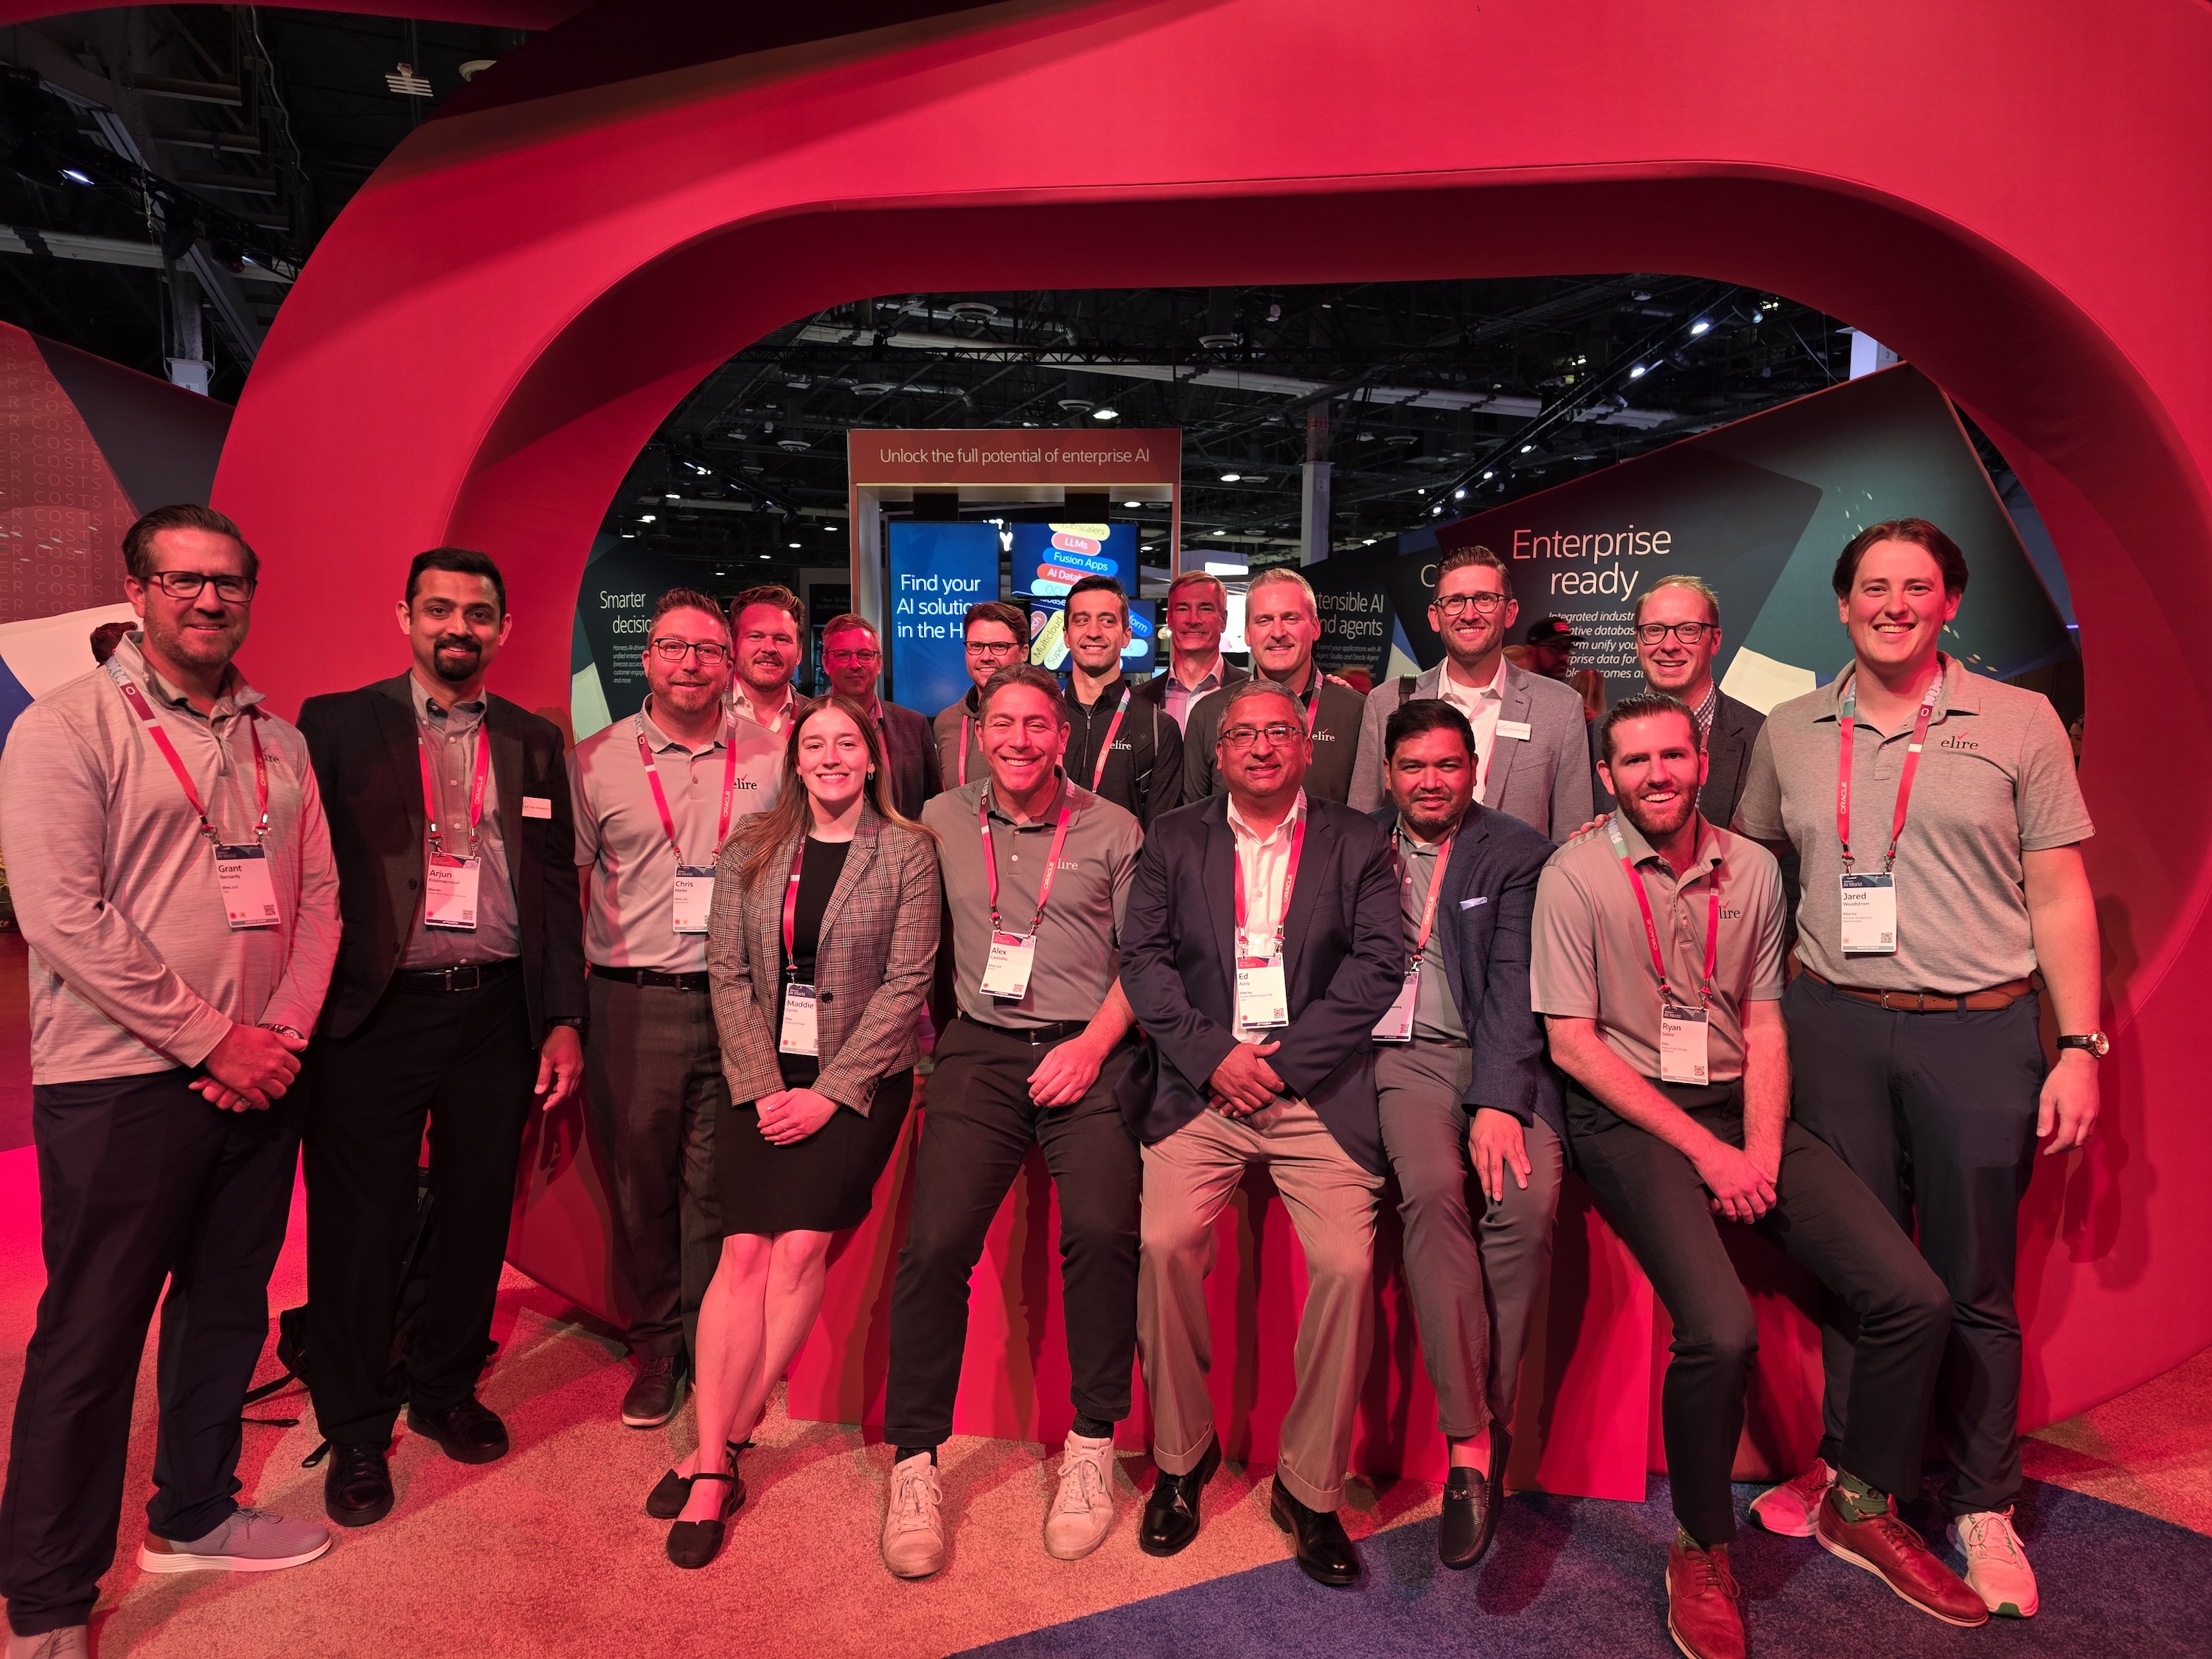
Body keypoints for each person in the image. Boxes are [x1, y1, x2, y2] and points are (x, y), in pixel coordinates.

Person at [1534, 692, 1983, 1658]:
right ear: (1608, 776)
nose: (1656, 775)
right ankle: (1700, 1547)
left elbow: (1766, 1018)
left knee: (1914, 1296)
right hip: (1629, 1114)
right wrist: (1708, 1153)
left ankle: (1861, 1499)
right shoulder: (1574, 872)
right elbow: (1571, 1045)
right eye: (1634, 762)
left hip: (1743, 1103)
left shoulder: (1755, 869)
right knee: (1720, 1332)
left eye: (1671, 756)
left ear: (1700, 760)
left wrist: (1764, 1150)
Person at [1734, 519, 2100, 1621]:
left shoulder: (2019, 720)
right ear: (1842, 605)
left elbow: (2060, 893)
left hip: (1976, 1027)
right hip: (1832, 1023)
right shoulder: (1793, 728)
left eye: (1918, 586)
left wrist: (2078, 1045)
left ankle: (1985, 1498)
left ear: (1950, 603)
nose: (1894, 603)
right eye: (1874, 586)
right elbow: (1758, 871)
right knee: (1866, 1269)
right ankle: (1860, 1478)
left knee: (1975, 1279)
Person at [0, 505, 341, 1654]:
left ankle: (193, 1510)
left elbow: (321, 900)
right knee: (89, 1338)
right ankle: (48, 1595)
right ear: (136, 590)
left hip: (263, 1074)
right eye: (184, 581)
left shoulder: (277, 740)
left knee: (224, 1308)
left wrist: (280, 1031)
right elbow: (61, 915)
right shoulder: (68, 729)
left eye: (229, 581)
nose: (209, 600)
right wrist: (213, 1039)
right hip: (124, 1085)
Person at [296, 546, 587, 1531]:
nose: (458, 627)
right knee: (359, 1223)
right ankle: (357, 1423)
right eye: (439, 610)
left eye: (476, 613)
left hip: (496, 1009)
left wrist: (561, 1018)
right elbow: (307, 875)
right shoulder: (337, 725)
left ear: (502, 628)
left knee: (473, 1210)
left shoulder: (533, 739)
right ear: (405, 617)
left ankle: (445, 1385)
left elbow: (552, 889)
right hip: (376, 1010)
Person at [1119, 678, 1402, 1586]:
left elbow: (1378, 964)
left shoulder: (1359, 840)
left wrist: (1282, 1064)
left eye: (1281, 731)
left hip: (1312, 1091)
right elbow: (1145, 963)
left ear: (1307, 741)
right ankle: (1181, 1458)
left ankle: (1309, 1489)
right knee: (1163, 1242)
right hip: (1203, 1089)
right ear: (1218, 750)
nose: (1263, 747)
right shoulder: (1173, 839)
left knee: (1348, 1267)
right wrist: (1213, 1059)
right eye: (1244, 734)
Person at [655, 695, 940, 1569]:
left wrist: (829, 1093)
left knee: (796, 1252)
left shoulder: (907, 852)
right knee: (740, 1255)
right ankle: (718, 1458)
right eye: (813, 743)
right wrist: (764, 1082)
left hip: (856, 1084)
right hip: (762, 1076)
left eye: (844, 743)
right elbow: (727, 971)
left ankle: (724, 1440)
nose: (828, 756)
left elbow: (908, 984)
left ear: (871, 757)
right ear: (795, 760)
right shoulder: (749, 847)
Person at [880, 664, 1145, 1576]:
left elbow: (1144, 962)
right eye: (1005, 724)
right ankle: (914, 1459)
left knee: (1106, 1230)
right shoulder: (942, 820)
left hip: (1090, 1047)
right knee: (935, 1244)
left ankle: (1092, 1443)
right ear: (980, 733)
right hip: (982, 1051)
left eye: (1039, 724)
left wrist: (1093, 1047)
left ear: (1062, 735)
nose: (1021, 740)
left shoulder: (1114, 826)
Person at [569, 589, 783, 1429]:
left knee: (717, 1189)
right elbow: (576, 881)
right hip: (632, 1001)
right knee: (639, 1185)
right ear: (647, 658)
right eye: (672, 648)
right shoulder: (594, 761)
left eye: (706, 650)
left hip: (742, 1003)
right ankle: (655, 1351)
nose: (690, 663)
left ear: (728, 663)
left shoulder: (775, 754)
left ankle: (710, 1351)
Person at [1366, 698, 1559, 1570]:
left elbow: (1519, 986)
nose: (1431, 781)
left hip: (1501, 1060)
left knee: (1522, 1205)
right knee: (1436, 1192)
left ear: (1473, 770)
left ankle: (1496, 1409)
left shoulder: (1517, 851)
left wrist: (1498, 1101)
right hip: (1403, 1060)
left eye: (1447, 765)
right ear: (1389, 773)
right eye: (1414, 766)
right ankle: (1470, 1443)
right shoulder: (1356, 844)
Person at [1346, 546, 1593, 837]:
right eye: (1454, 601)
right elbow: (1361, 826)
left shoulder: (1560, 707)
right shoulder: (1386, 702)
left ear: (1510, 612)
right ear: (1435, 617)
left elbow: (1572, 837)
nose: (1469, 614)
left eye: (1485, 599)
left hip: (1519, 880)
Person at [1178, 568, 1364, 806]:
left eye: (1291, 618)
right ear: (1247, 632)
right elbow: (1193, 819)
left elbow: (1368, 817)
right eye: (1264, 620)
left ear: (1315, 627)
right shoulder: (1208, 714)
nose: (1277, 633)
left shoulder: (1356, 713)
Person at [1592, 574, 1764, 827]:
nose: (1669, 645)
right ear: (1637, 642)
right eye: (1654, 630)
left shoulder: (1762, 737)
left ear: (1715, 641)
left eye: (1688, 630)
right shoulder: (1592, 737)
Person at [1057, 574, 1183, 827]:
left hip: (1125, 868)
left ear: (1126, 636)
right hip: (1044, 865)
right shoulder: (1042, 718)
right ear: (1067, 636)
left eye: (1107, 620)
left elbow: (1159, 841)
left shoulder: (1157, 728)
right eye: (1082, 620)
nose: (1093, 632)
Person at [820, 613, 939, 818]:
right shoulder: (808, 725)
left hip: (903, 847)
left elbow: (936, 803)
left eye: (865, 655)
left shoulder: (914, 724)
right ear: (826, 663)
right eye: (843, 655)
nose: (855, 664)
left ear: (879, 662)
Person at [1133, 569, 1248, 734]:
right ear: (1170, 619)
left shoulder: (1251, 691)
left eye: (1206, 609)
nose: (1193, 620)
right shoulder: (1137, 699)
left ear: (1223, 620)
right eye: (1182, 609)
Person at [932, 600, 1028, 788]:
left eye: (999, 646)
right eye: (976, 646)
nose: (986, 657)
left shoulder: (1043, 719)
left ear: (1023, 653)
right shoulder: (946, 722)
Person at [727, 583, 804, 735]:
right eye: (756, 636)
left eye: (781, 639)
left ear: (799, 653)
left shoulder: (817, 718)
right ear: (734, 647)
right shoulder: (703, 712)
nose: (769, 648)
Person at [1520, 616, 1579, 683]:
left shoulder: (1569, 693)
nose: (1564, 657)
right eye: (1555, 648)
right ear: (1530, 652)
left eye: (1567, 648)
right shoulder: (1511, 691)